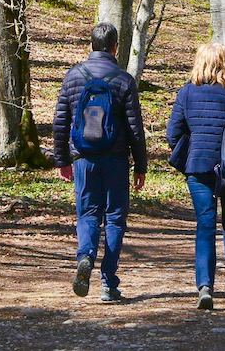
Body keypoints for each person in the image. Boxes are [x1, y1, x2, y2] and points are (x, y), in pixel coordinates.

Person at [53, 22, 148, 303]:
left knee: (88, 214)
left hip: (83, 159)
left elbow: (60, 123)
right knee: (116, 219)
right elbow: (134, 128)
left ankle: (85, 256)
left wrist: (62, 159)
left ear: (90, 45)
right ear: (115, 47)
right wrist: (140, 165)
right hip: (116, 160)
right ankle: (109, 282)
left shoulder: (73, 77)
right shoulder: (123, 80)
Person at [166, 42, 225, 311]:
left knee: (204, 225)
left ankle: (205, 286)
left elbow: (172, 133)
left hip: (198, 167)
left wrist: (191, 146)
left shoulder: (186, 93)